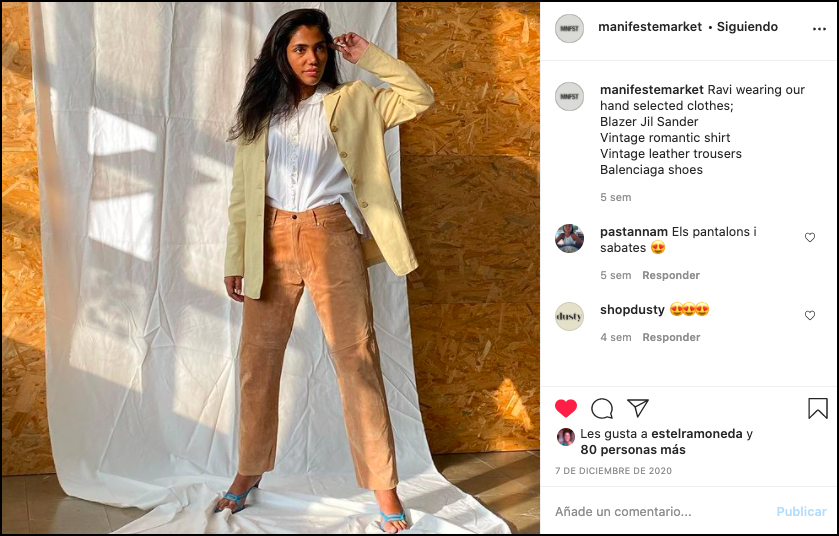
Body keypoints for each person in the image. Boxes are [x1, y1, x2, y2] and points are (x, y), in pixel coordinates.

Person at [217, 9, 434, 534]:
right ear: (281, 54)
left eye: (318, 48)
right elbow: (243, 193)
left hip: (331, 233)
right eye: (299, 49)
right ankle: (248, 470)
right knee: (257, 364)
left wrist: (370, 57)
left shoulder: (353, 100)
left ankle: (385, 488)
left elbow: (419, 96)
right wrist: (236, 258)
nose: (311, 58)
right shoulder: (261, 112)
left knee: (356, 359)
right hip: (269, 239)